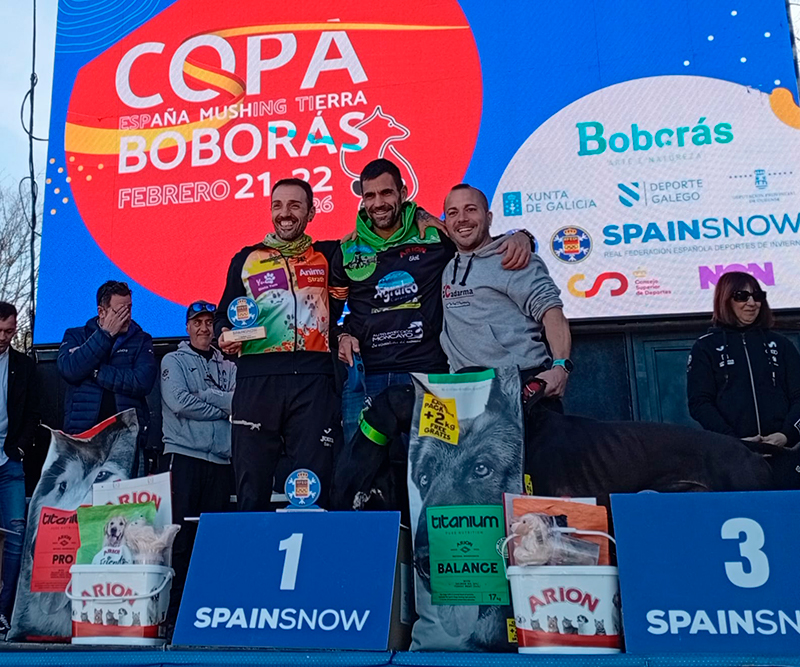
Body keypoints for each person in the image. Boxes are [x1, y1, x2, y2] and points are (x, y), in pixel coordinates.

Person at [336, 160, 534, 442]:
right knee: (359, 466)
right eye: (370, 195)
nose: (378, 203)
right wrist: (342, 335)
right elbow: (327, 315)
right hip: (367, 378)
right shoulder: (346, 249)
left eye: (386, 193)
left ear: (403, 193)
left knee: (431, 466)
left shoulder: (435, 237)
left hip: (428, 376)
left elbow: (482, 244)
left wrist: (522, 237)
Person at [214, 178, 347, 511]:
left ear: (311, 212)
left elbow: (374, 233)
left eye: (295, 205)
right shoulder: (247, 258)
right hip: (257, 381)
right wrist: (224, 335)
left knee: (314, 486)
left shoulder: (328, 255)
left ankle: (311, 542)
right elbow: (223, 316)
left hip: (313, 379)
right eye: (278, 205)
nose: (285, 213)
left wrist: (422, 216)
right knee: (252, 485)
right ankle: (253, 543)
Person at [439, 184, 572, 406]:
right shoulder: (447, 266)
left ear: (489, 217)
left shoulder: (513, 257)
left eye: (471, 209)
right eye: (453, 212)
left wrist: (560, 366)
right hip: (468, 390)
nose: (462, 219)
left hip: (520, 383)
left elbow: (551, 312)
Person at [160, 300, 236, 625]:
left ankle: (207, 617)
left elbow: (241, 401)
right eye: (197, 322)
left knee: (213, 542)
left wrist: (206, 396)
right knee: (180, 542)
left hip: (220, 462)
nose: (204, 328)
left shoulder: (229, 365)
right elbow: (178, 402)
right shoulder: (173, 360)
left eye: (208, 322)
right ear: (187, 327)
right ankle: (175, 619)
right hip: (184, 458)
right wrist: (221, 409)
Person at [687, 271, 800, 447]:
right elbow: (700, 403)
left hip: (783, 450)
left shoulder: (781, 344)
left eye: (757, 296)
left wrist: (787, 435)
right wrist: (732, 440)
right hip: (732, 453)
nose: (752, 303)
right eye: (742, 296)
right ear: (725, 300)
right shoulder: (705, 347)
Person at [57, 281, 158, 475]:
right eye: (119, 311)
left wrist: (96, 372)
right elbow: (70, 370)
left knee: (127, 494)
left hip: (126, 439)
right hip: (84, 439)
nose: (126, 317)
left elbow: (142, 381)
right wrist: (105, 335)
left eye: (129, 309)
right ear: (101, 312)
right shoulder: (75, 335)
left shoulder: (141, 339)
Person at [0, 303, 39, 636]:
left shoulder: (24, 366)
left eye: (10, 331)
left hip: (9, 461)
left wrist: (21, 450)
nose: (3, 337)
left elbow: (33, 414)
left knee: (15, 534)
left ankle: (3, 611)